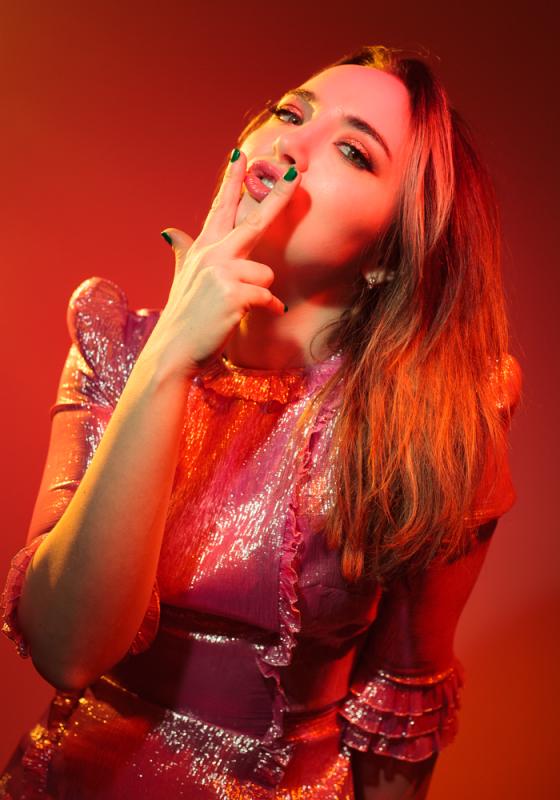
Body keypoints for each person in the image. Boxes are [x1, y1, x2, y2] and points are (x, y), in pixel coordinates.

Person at [0, 44, 522, 799]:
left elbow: (399, 708)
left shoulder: (443, 411)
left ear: (388, 253)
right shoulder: (113, 344)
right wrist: (173, 351)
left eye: (352, 150)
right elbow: (66, 647)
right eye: (289, 112)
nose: (292, 145)